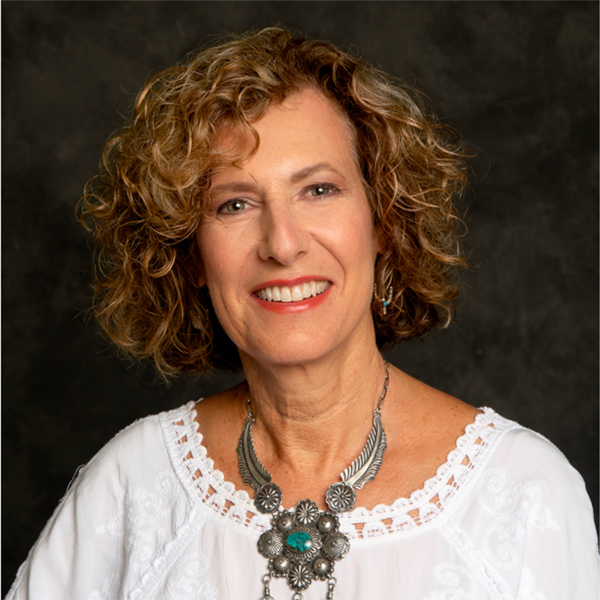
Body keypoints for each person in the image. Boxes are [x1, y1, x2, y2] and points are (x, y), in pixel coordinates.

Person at [7, 27, 598, 600]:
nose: (282, 244)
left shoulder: (523, 493)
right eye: (234, 204)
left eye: (318, 190)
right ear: (188, 254)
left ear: (385, 221)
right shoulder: (130, 486)